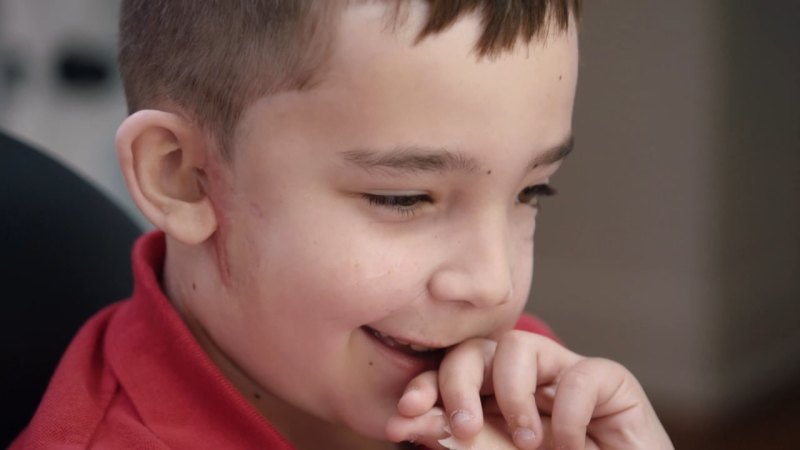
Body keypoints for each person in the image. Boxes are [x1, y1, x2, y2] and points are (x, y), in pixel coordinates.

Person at [12, 1, 673, 449]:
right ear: (183, 176)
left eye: (533, 190)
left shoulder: (502, 382)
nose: (494, 287)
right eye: (405, 198)